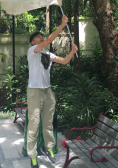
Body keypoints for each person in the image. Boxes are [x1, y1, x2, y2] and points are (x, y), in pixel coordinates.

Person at [27, 15, 78, 168]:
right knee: (34, 125)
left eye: (41, 35)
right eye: (37, 36)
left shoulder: (48, 55)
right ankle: (33, 156)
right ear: (33, 42)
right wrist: (62, 25)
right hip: (34, 91)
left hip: (47, 91)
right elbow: (49, 41)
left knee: (48, 123)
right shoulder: (32, 51)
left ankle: (49, 149)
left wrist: (72, 51)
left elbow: (64, 61)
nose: (40, 37)